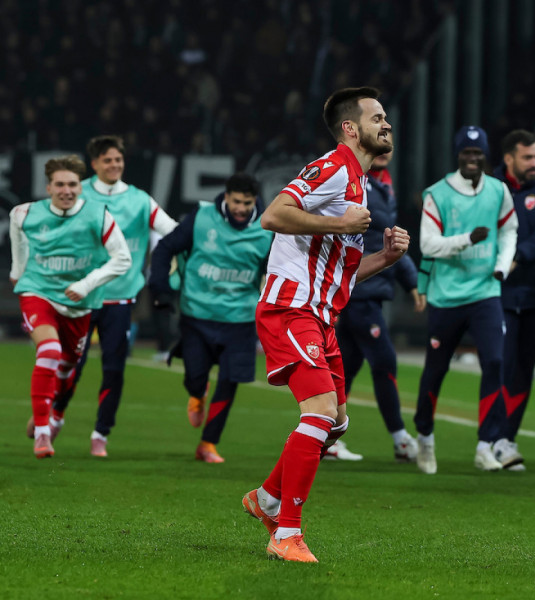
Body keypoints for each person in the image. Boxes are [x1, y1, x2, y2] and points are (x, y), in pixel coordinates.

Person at [240, 87, 409, 563]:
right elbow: (272, 216)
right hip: (291, 308)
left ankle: (268, 499)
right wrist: (340, 226)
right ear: (351, 129)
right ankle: (285, 533)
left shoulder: (360, 182)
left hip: (322, 315)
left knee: (335, 424)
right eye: (378, 117)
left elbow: (342, 272)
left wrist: (385, 256)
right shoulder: (334, 166)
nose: (387, 125)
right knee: (317, 414)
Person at [50, 135, 177, 457]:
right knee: (70, 365)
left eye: (118, 160)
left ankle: (100, 434)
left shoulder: (139, 200)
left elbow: (172, 230)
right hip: (80, 297)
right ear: (94, 164)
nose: (114, 165)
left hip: (120, 299)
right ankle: (56, 415)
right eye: (107, 160)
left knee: (114, 369)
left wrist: (193, 241)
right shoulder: (77, 193)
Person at [413, 125, 518, 474]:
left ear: (485, 156)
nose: (472, 159)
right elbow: (427, 245)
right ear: (457, 156)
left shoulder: (499, 191)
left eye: (477, 153)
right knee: (436, 370)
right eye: (466, 153)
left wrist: (502, 267)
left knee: (495, 363)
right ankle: (425, 438)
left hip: (486, 292)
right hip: (447, 297)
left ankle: (485, 445)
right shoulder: (438, 194)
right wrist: (467, 239)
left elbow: (509, 230)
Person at [149, 173, 274, 463]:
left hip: (240, 320)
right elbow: (165, 247)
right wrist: (161, 288)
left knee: (230, 381)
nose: (241, 208)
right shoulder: (202, 217)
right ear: (226, 197)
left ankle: (208, 444)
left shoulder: (267, 227)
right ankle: (197, 393)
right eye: (236, 201)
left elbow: (276, 270)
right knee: (195, 377)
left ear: (255, 201)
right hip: (197, 317)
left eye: (247, 202)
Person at [11, 155, 131, 458]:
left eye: (73, 184)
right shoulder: (24, 213)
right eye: (60, 184)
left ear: (81, 187)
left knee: (67, 369)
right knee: (49, 351)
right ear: (49, 187)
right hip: (38, 292)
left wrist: (86, 284)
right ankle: (42, 432)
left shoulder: (97, 215)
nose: (66, 190)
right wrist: (17, 273)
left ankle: (58, 414)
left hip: (79, 303)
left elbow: (123, 259)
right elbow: (20, 245)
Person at [335, 150, 424, 462]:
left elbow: (389, 243)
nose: (385, 152)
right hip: (361, 291)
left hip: (362, 290)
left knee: (345, 368)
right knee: (384, 361)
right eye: (378, 147)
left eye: (388, 146)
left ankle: (326, 436)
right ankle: (400, 439)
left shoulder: (383, 187)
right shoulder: (356, 185)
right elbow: (378, 243)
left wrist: (412, 283)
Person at [492, 129, 535, 471]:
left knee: (523, 370)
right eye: (528, 158)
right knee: (501, 365)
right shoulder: (492, 188)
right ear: (509, 159)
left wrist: (514, 256)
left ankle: (506, 439)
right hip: (498, 293)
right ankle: (490, 437)